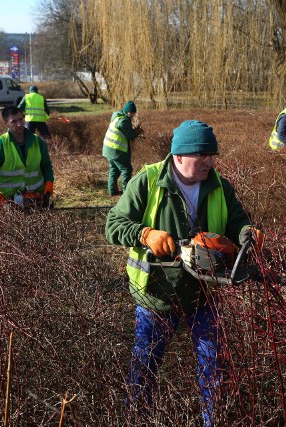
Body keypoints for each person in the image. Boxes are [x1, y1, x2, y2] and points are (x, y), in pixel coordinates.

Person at [105, 120, 264, 426]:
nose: (209, 161)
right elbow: (113, 224)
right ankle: (135, 418)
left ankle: (212, 421)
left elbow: (238, 221)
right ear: (178, 157)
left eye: (211, 155)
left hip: (205, 294)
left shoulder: (220, 185)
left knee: (214, 369)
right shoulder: (148, 181)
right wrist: (146, 234)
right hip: (156, 296)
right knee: (143, 369)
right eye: (201, 155)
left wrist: (247, 233)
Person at [0, 106, 54, 207]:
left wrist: (49, 182)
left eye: (21, 119)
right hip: (10, 202)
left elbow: (46, 165)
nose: (19, 124)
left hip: (37, 199)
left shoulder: (38, 142)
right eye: (14, 122)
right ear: (6, 123)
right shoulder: (0, 146)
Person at [102, 100, 143, 196]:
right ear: (128, 112)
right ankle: (126, 193)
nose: (133, 115)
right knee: (126, 169)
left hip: (108, 149)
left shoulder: (117, 117)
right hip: (116, 150)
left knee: (114, 169)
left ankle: (112, 191)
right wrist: (137, 132)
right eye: (132, 113)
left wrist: (134, 130)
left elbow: (126, 132)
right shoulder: (123, 121)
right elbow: (130, 135)